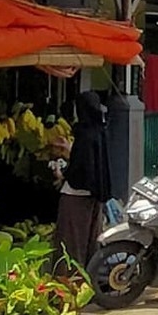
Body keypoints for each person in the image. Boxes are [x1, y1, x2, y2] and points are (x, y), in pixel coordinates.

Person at [49, 91, 113, 278]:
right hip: (94, 198)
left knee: (70, 243)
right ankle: (88, 283)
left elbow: (79, 169)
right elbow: (92, 163)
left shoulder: (84, 134)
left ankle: (67, 284)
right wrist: (70, 149)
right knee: (90, 242)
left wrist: (61, 173)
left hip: (75, 198)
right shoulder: (99, 130)